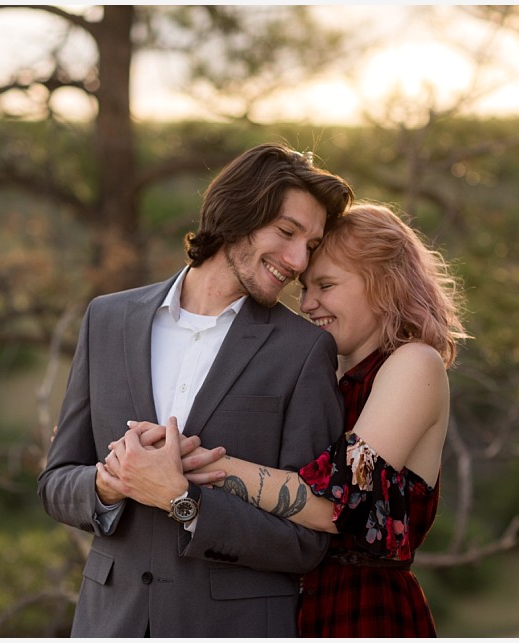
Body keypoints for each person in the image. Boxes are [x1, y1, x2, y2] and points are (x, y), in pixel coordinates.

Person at [37, 143, 353, 637]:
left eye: (310, 246)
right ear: (237, 215)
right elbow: (55, 484)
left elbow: (309, 540)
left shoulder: (305, 350)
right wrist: (108, 484)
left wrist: (184, 501)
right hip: (109, 623)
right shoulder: (108, 319)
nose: (296, 261)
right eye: (287, 233)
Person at [111, 202, 468, 637]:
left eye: (326, 285)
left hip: (364, 612)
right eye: (304, 288)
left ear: (384, 283)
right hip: (289, 605)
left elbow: (336, 502)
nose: (308, 303)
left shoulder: (414, 363)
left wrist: (185, 464)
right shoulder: (325, 373)